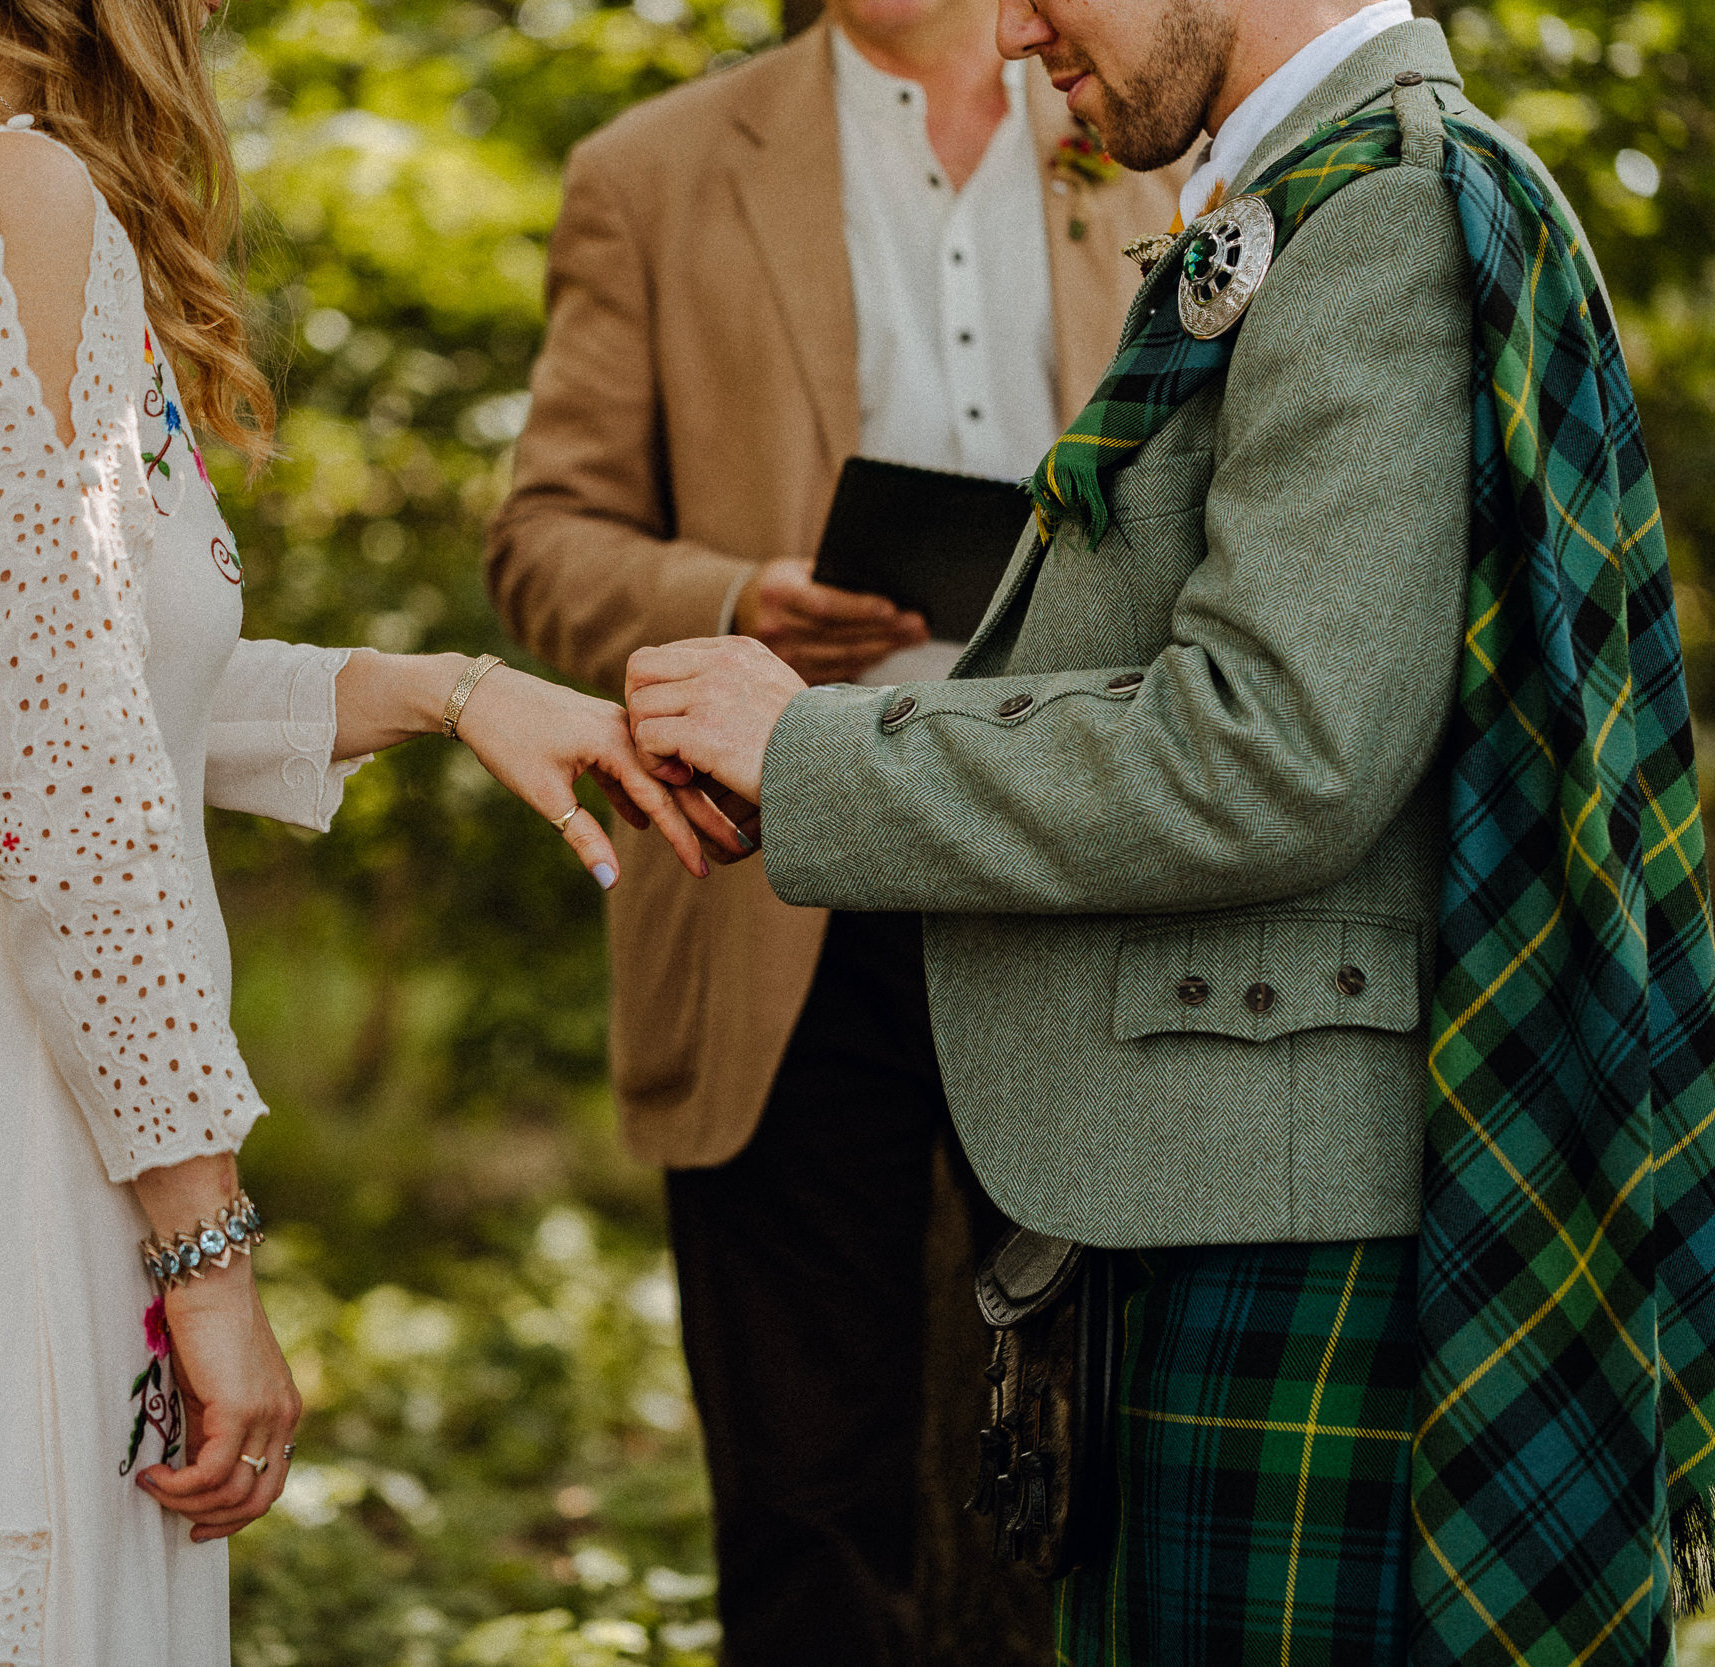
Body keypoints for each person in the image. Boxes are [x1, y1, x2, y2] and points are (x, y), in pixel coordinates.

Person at [622, 0, 1715, 1660]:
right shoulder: (1307, 196)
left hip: (1301, 1220)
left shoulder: (1375, 215)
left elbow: (1274, 745)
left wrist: (818, 758)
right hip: (1228, 1180)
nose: (1009, 28)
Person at [0, 0, 723, 1657]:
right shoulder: (16, 195)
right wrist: (207, 1257)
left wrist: (453, 693)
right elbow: (71, 784)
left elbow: (19, 704)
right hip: (16, 1149)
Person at [484, 0, 1173, 1656]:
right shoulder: (647, 172)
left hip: (1073, 865)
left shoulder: (1147, 150)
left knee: (1139, 1460)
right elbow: (542, 542)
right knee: (806, 1506)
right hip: (775, 880)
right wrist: (735, 601)